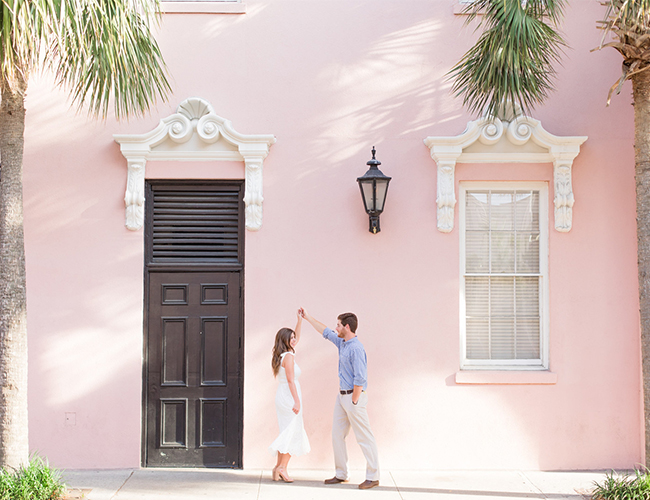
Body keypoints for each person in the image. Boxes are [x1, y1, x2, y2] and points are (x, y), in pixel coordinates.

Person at [301, 309, 380, 490]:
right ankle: (341, 473)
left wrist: (354, 400)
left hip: (354, 397)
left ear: (346, 326)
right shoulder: (342, 343)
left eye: (338, 324)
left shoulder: (356, 348)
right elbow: (325, 331)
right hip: (341, 397)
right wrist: (307, 317)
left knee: (364, 437)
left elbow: (361, 378)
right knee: (337, 435)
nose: (335, 327)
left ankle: (373, 476)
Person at [269, 310, 310, 483]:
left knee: (287, 431)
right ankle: (282, 468)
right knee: (291, 432)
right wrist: (297, 401)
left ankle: (278, 468)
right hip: (289, 397)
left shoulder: (281, 355)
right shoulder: (289, 357)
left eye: (294, 337)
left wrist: (299, 321)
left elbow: (297, 338)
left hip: (284, 395)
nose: (294, 340)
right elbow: (291, 381)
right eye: (291, 338)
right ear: (285, 340)